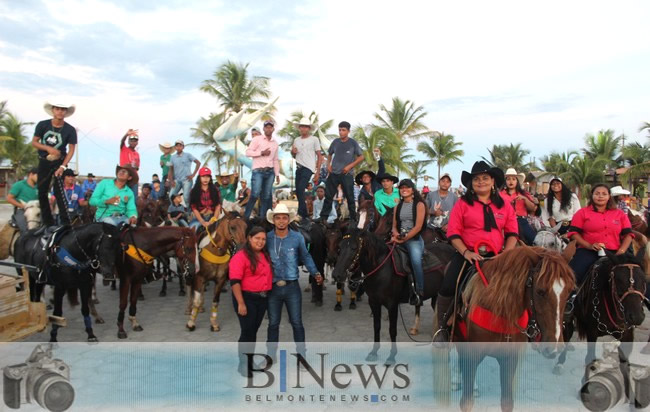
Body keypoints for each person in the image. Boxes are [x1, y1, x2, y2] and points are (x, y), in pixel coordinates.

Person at [432, 161, 519, 343]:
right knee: (448, 285)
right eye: (476, 179)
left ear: (493, 181)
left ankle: (530, 328)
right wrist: (466, 253)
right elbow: (453, 233)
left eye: (485, 178)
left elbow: (512, 234)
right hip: (468, 255)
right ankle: (442, 329)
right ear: (471, 183)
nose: (481, 182)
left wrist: (506, 255)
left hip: (498, 256)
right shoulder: (462, 204)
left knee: (523, 285)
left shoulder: (504, 205)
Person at [266, 204, 323, 358]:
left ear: (289, 220)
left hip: (292, 287)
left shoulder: (297, 237)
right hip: (273, 288)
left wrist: (315, 272)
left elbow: (305, 256)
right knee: (273, 324)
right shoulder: (267, 238)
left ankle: (301, 356)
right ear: (274, 220)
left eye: (284, 218)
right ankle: (270, 356)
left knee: (297, 323)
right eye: (278, 218)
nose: (281, 221)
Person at [567, 184, 634, 285]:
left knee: (634, 275)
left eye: (604, 194)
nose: (600, 196)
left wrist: (621, 251)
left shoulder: (619, 214)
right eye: (597, 193)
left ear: (609, 197)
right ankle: (571, 299)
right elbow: (573, 233)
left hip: (615, 252)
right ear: (592, 196)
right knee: (572, 275)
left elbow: (628, 235)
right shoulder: (582, 213)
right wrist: (589, 245)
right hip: (588, 251)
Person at [229, 226, 273, 376]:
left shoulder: (264, 255)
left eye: (263, 239)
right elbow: (235, 281)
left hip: (261, 299)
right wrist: (241, 303)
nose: (260, 242)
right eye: (257, 238)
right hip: (246, 298)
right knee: (247, 332)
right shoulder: (240, 257)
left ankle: (249, 361)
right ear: (249, 238)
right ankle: (243, 364)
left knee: (253, 332)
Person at [31, 100, 78, 227]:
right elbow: (34, 142)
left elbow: (71, 149)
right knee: (42, 191)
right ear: (53, 110)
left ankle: (65, 223)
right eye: (57, 109)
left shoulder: (70, 129)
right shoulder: (43, 125)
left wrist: (63, 166)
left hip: (59, 162)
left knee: (59, 192)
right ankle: (47, 222)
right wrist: (47, 148)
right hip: (44, 161)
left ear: (66, 112)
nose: (60, 112)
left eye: (63, 109)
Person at [318, 121, 364, 223]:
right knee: (329, 196)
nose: (341, 132)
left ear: (348, 131)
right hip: (334, 173)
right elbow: (329, 154)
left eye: (343, 130)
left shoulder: (353, 143)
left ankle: (353, 218)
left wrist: (350, 166)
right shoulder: (335, 142)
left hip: (346, 174)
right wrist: (328, 165)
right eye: (339, 130)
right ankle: (323, 218)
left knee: (350, 197)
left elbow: (361, 157)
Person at [391, 179, 427, 305]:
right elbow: (394, 225)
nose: (404, 190)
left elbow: (418, 227)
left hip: (414, 239)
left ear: (412, 189)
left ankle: (419, 291)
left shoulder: (419, 205)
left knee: (416, 261)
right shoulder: (398, 206)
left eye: (407, 187)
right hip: (399, 237)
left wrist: (404, 238)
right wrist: (395, 234)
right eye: (401, 188)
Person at [244, 120, 280, 220]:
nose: (268, 129)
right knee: (255, 194)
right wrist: (261, 153)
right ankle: (246, 216)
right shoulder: (257, 139)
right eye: (266, 127)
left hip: (270, 171)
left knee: (266, 196)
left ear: (273, 129)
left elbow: (275, 159)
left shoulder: (275, 143)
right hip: (258, 171)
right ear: (263, 129)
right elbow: (248, 152)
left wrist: (277, 174)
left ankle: (263, 218)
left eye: (270, 127)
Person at [291, 117, 323, 220]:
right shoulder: (296, 140)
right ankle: (303, 212)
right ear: (299, 128)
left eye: (305, 127)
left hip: (308, 167)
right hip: (298, 166)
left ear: (309, 128)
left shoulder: (314, 139)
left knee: (300, 188)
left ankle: (302, 214)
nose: (303, 129)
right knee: (298, 190)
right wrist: (293, 152)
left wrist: (317, 172)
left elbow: (319, 155)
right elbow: (294, 155)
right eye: (302, 127)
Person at [499, 168, 538, 245]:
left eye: (513, 179)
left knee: (534, 240)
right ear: (505, 181)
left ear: (517, 181)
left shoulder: (524, 194)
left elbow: (533, 208)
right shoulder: (500, 194)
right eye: (508, 179)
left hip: (521, 221)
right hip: (505, 222)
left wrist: (525, 199)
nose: (511, 181)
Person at [168, 140, 201, 210]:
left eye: (180, 145)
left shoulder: (188, 155)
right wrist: (171, 180)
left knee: (186, 197)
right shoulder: (172, 157)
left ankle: (189, 212)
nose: (178, 147)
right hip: (177, 180)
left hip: (187, 180)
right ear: (175, 147)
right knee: (171, 196)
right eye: (177, 146)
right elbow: (170, 169)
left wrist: (193, 175)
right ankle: (175, 211)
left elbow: (198, 163)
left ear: (183, 147)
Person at [188, 167, 222, 231]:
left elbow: (218, 206)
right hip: (200, 217)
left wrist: (213, 219)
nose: (205, 179)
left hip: (213, 216)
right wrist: (202, 222)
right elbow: (194, 208)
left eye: (208, 177)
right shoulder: (194, 191)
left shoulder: (215, 190)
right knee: (190, 231)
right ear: (199, 178)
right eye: (203, 176)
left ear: (210, 178)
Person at [7, 168, 38, 232]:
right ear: (31, 174)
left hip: (37, 209)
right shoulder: (19, 185)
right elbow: (9, 198)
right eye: (38, 175)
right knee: (24, 228)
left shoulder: (39, 186)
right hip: (22, 210)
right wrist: (22, 206)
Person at [119, 129, 140, 198]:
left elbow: (138, 167)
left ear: (137, 143)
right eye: (131, 141)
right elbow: (122, 141)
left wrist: (135, 166)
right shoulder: (124, 149)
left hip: (134, 178)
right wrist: (127, 134)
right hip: (124, 176)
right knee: (122, 196)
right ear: (128, 142)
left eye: (135, 141)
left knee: (133, 197)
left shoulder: (137, 154)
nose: (133, 142)